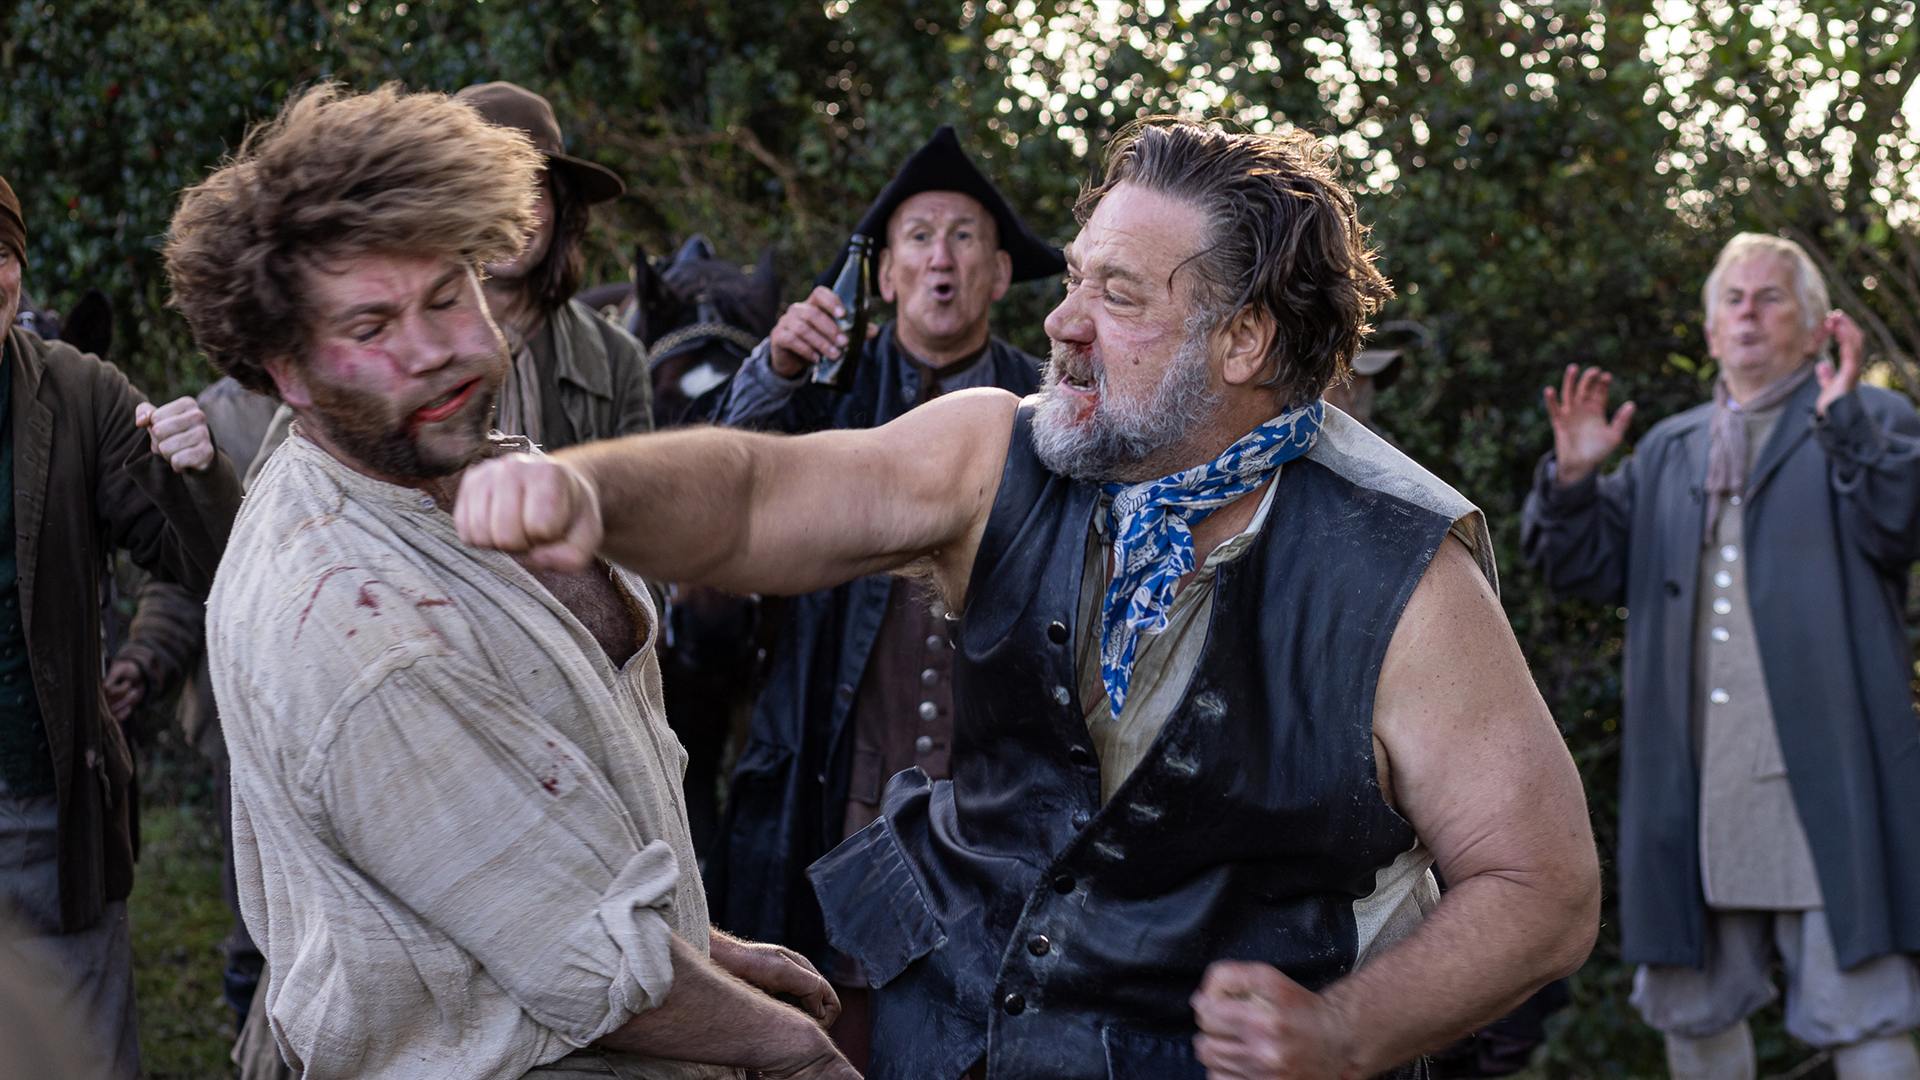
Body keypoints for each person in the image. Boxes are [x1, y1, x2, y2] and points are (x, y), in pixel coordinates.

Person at [457, 120, 1601, 1080]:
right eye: (1075, 278)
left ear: (1245, 339)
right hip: (944, 1040)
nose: (1061, 321)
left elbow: (1543, 887)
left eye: (1119, 294)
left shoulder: (1404, 578)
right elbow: (761, 495)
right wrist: (586, 492)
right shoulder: (995, 450)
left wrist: (1348, 1031)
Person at [165, 83, 857, 1080]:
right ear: (287, 369)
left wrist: (706, 945)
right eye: (372, 326)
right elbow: (585, 964)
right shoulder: (358, 628)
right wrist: (797, 1050)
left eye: (448, 296)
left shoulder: (451, 461)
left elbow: (530, 860)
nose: (435, 350)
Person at [700, 125, 1063, 1065]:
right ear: (888, 274)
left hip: (992, 790)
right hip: (833, 770)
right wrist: (776, 368)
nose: (942, 258)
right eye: (919, 237)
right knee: (828, 1023)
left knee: (988, 1018)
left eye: (965, 237)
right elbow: (718, 474)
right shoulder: (826, 385)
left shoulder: (1050, 407)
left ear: (998, 275)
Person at [1522, 233, 1920, 1080]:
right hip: (1696, 787)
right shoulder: (1672, 448)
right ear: (1708, 332)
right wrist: (1574, 483)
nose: (1748, 314)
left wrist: (1845, 423)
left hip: (1832, 780)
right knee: (1692, 1011)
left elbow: (1901, 527)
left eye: (1771, 298)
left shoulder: (1871, 419)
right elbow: (1581, 567)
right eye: (1733, 300)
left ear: (1816, 329)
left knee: (1866, 1013)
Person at [0, 173, 243, 1079]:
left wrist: (202, 473)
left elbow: (204, 566)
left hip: (47, 814)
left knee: (83, 1062)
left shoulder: (81, 394)